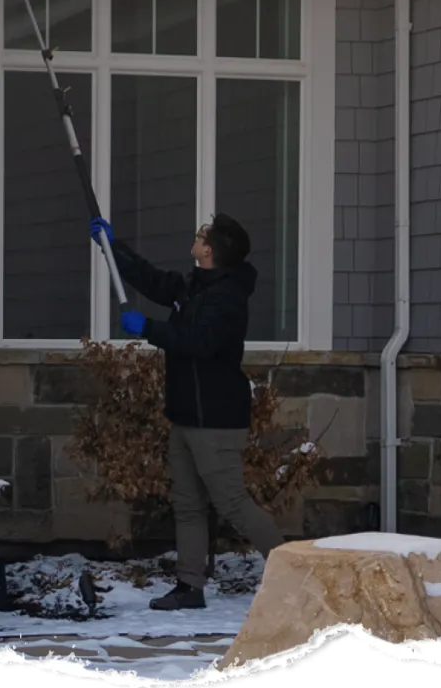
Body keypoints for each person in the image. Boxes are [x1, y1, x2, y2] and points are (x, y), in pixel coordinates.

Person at [88, 212, 282, 611]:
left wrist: (147, 328)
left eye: (200, 235)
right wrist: (113, 248)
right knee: (188, 504)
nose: (195, 238)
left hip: (216, 418)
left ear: (210, 250)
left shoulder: (228, 298)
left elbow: (196, 341)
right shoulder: (194, 286)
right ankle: (189, 587)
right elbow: (153, 280)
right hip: (186, 414)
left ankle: (297, 574)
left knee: (233, 505)